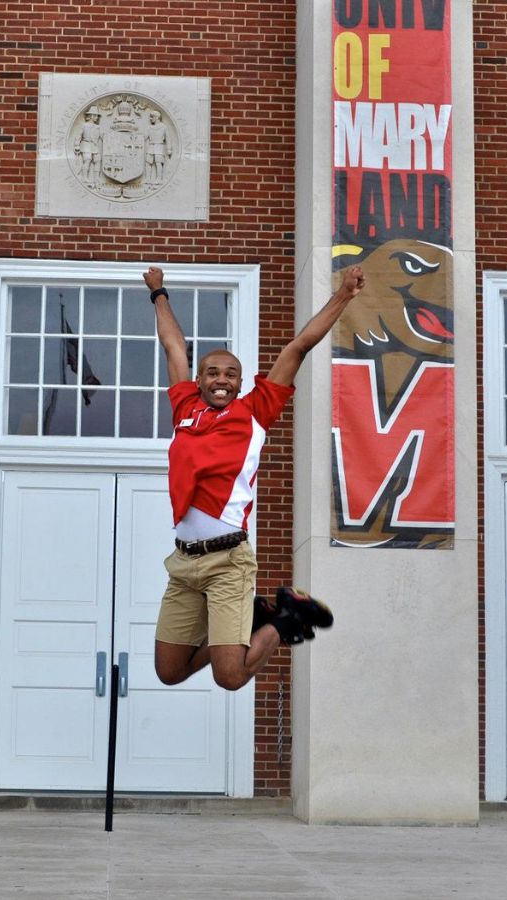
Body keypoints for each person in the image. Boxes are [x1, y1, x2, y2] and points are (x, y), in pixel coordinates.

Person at [143, 264, 365, 691]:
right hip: (184, 562)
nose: (220, 379)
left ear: (241, 382)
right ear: (200, 380)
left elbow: (299, 346)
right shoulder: (185, 408)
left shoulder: (256, 409)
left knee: (231, 676)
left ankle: (284, 621)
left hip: (227, 562)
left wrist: (343, 295)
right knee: (169, 671)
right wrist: (159, 292)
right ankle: (256, 616)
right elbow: (174, 348)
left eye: (229, 374)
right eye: (212, 373)